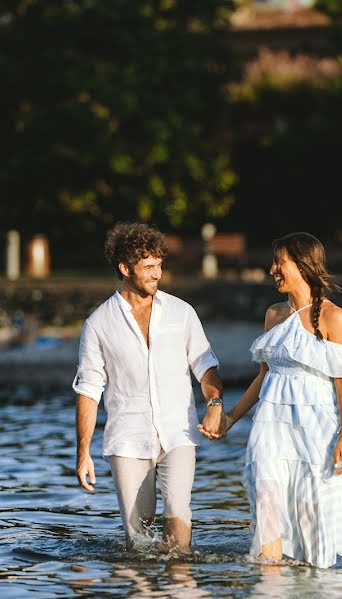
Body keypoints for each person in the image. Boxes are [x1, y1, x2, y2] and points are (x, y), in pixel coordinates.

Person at [199, 232, 342, 569]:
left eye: (279, 262)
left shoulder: (333, 317)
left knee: (311, 510)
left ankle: (315, 578)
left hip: (315, 427)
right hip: (270, 426)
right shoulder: (273, 315)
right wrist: (231, 418)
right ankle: (269, 579)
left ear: (302, 265)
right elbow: (263, 376)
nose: (272, 269)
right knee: (266, 499)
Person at [73, 222, 225, 552]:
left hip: (179, 433)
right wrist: (83, 452)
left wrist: (214, 404)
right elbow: (88, 390)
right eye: (149, 267)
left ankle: (181, 583)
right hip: (127, 438)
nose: (157, 274)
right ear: (125, 268)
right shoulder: (99, 324)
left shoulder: (182, 313)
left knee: (178, 520)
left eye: (159, 265)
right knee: (138, 540)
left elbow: (206, 366)